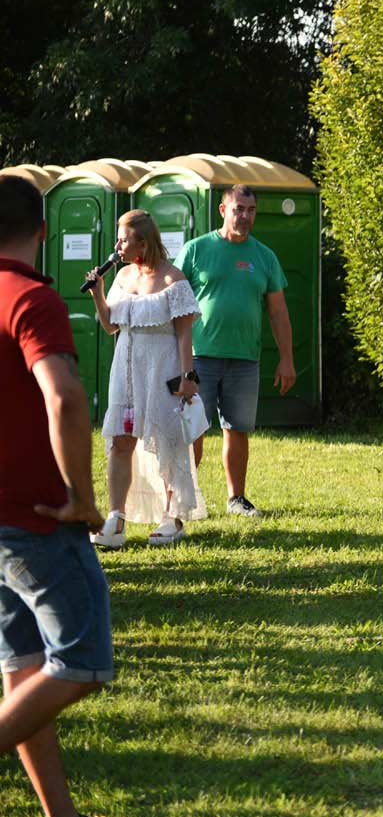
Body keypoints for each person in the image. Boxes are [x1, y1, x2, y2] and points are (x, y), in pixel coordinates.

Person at [0, 175, 119, 817]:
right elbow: (66, 398)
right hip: (36, 518)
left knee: (23, 672)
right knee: (81, 663)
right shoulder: (31, 297)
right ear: (43, 231)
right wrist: (82, 496)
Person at [86, 210, 207, 548]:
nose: (117, 245)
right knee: (120, 440)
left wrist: (188, 378)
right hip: (125, 368)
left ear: (143, 241)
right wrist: (98, 294)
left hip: (162, 367)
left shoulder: (174, 280)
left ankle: (173, 515)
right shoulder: (123, 276)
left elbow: (185, 336)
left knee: (168, 441)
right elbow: (111, 326)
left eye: (124, 239)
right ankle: (116, 518)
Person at [181, 185, 295, 518]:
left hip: (245, 359)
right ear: (223, 210)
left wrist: (287, 359)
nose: (244, 216)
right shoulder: (196, 250)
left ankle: (237, 499)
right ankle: (186, 497)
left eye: (250, 210)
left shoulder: (264, 256)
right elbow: (174, 303)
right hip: (199, 356)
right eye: (238, 209)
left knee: (238, 428)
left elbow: (278, 312)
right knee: (193, 429)